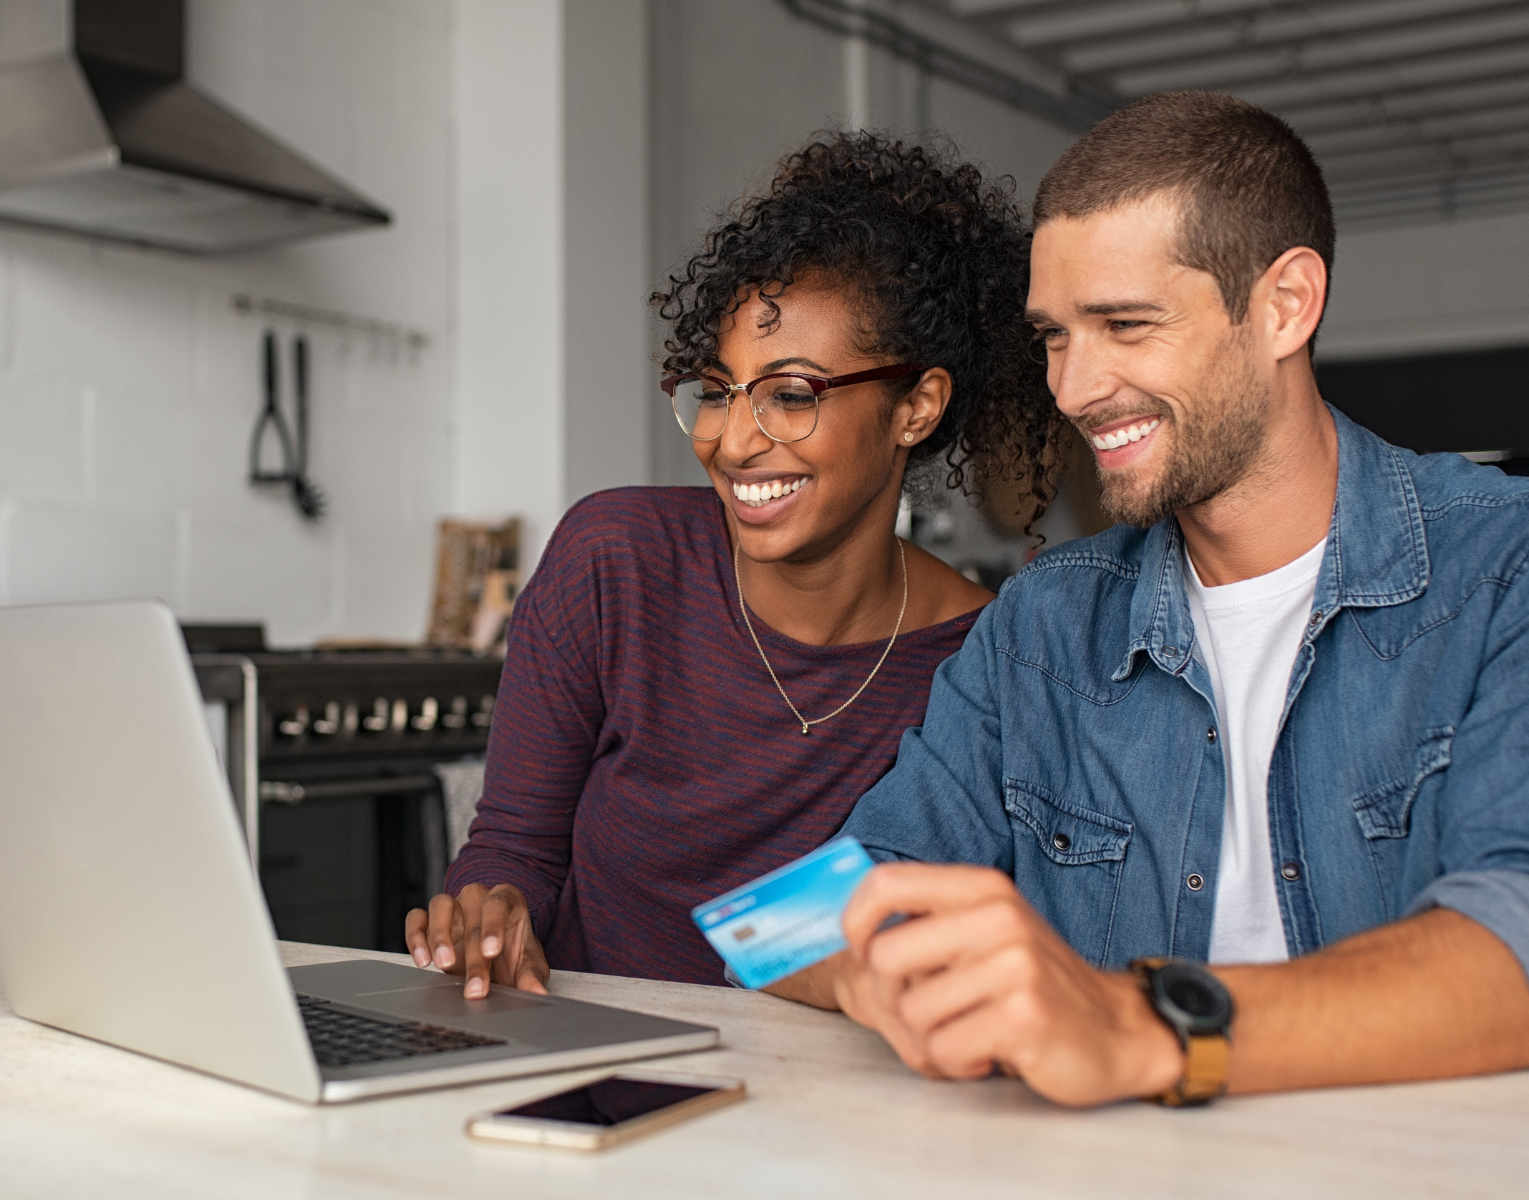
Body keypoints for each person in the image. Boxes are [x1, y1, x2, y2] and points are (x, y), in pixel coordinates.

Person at [777, 91, 1529, 1105]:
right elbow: (785, 923)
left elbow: (1513, 939)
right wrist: (899, 971)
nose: (1075, 388)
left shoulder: (1504, 569)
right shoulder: (1041, 627)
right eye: (1054, 336)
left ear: (1285, 305)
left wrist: (1139, 1024)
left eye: (1125, 324)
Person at [404, 133, 1063, 998]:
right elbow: (513, 847)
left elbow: (873, 931)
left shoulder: (983, 663)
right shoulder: (615, 562)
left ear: (917, 407)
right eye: (718, 389)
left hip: (797, 1117)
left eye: (791, 395)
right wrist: (486, 919)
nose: (734, 440)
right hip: (565, 1089)